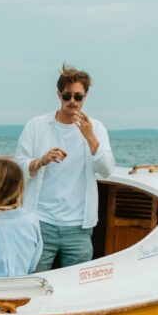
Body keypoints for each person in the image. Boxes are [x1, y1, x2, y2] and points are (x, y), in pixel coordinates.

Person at [15, 64, 114, 272]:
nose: (72, 102)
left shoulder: (96, 128)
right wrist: (41, 160)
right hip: (39, 222)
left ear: (86, 96)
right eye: (67, 96)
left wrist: (90, 137)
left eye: (78, 97)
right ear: (59, 95)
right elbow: (18, 168)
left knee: (76, 290)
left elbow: (106, 169)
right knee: (33, 283)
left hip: (79, 226)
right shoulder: (37, 126)